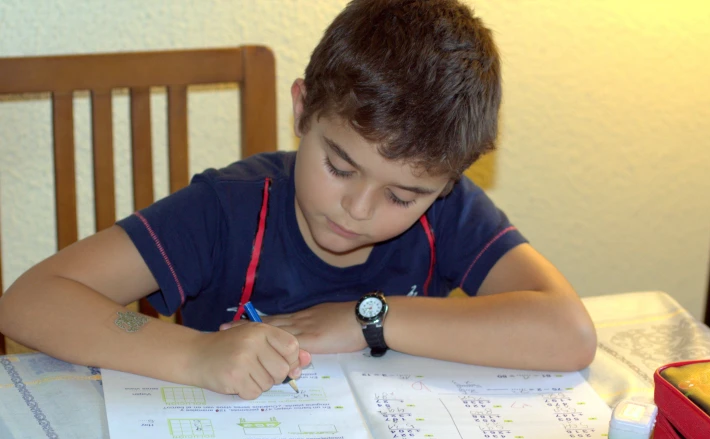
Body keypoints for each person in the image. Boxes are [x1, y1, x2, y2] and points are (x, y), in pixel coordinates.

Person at [0, 0, 596, 400]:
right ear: (302, 109)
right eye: (340, 165)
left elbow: (567, 332)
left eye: (403, 194)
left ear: (446, 183)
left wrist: (371, 319)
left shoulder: (449, 210)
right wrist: (196, 357)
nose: (359, 208)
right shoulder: (227, 210)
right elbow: (31, 301)